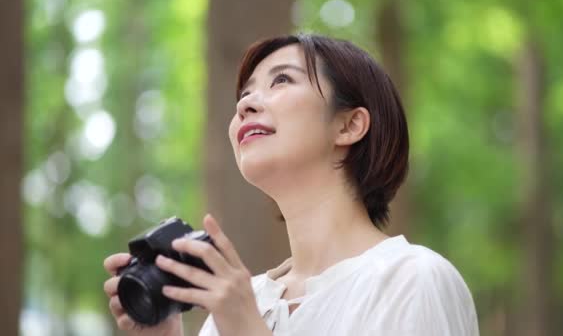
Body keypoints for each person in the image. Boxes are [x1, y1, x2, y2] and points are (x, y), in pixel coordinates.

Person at [103, 33, 479, 336]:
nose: (246, 104)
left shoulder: (410, 278)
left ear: (349, 125)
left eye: (281, 80)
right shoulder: (240, 301)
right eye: (244, 94)